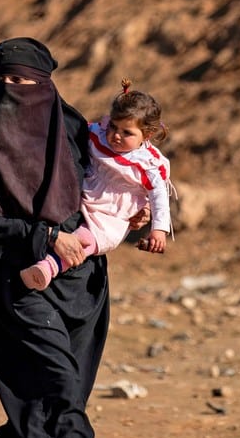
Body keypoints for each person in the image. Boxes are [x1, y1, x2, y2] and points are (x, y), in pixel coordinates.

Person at [0, 37, 137, 438]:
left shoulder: (79, 129)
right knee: (59, 386)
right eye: (5, 80)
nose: (15, 91)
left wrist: (141, 225)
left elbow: (114, 187)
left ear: (48, 83)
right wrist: (42, 236)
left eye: (26, 81)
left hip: (82, 286)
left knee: (57, 394)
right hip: (18, 283)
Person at [20, 78, 173, 291]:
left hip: (112, 215)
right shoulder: (97, 135)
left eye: (127, 133)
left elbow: (159, 197)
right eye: (113, 126)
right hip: (85, 195)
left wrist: (158, 230)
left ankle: (47, 268)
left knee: (86, 240)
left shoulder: (147, 164)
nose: (116, 135)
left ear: (146, 135)